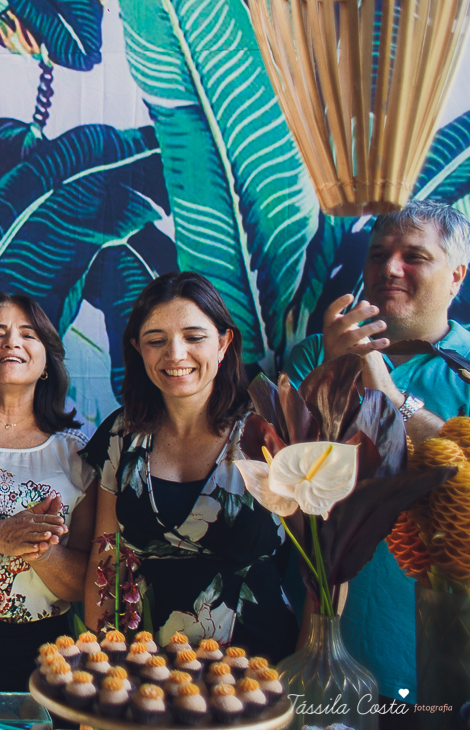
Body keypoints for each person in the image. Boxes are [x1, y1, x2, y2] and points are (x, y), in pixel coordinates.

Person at [282, 200, 470, 712]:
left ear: (456, 276)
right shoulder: (314, 355)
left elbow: (461, 480)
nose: (390, 268)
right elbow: (289, 489)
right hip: (334, 646)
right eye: (379, 253)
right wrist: (333, 378)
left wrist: (387, 392)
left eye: (414, 256)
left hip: (443, 653)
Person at [81, 272, 297, 660]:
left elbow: (319, 567)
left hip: (260, 664)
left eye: (194, 337)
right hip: (145, 664)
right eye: (156, 340)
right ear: (138, 349)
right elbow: (106, 559)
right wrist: (102, 663)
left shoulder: (269, 431)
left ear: (223, 343)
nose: (175, 354)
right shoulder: (121, 433)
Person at [0, 292, 97, 692]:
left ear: (46, 359)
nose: (12, 342)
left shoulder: (78, 452)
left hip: (43, 651)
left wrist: (43, 549)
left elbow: (86, 584)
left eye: (28, 334)